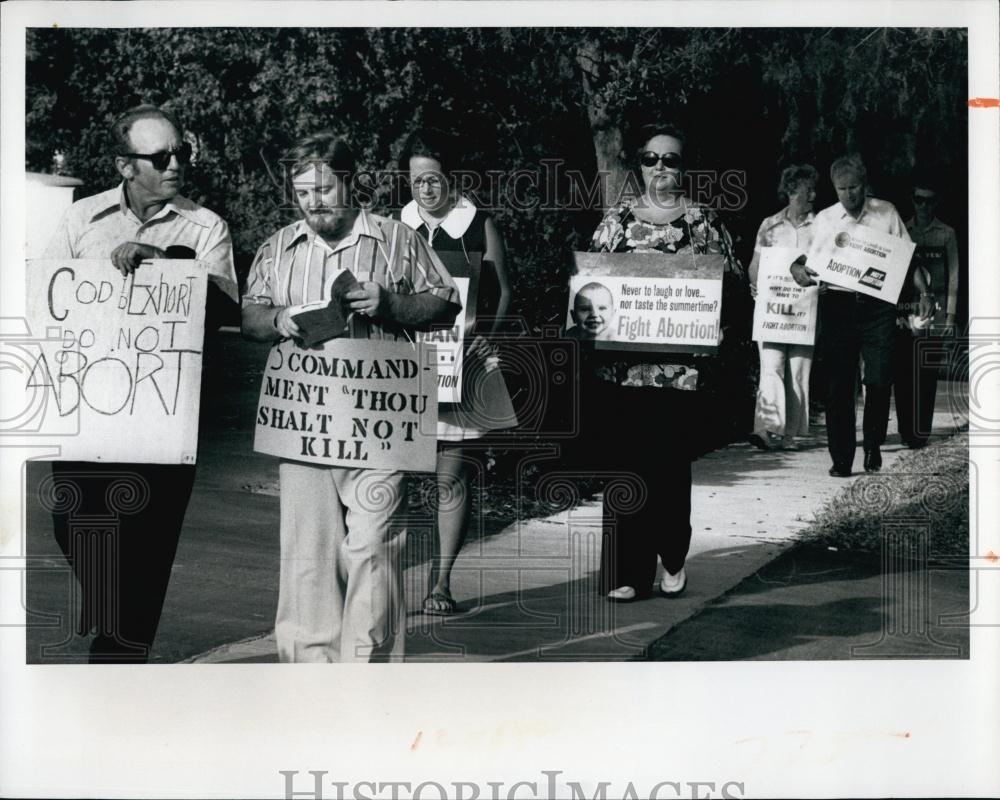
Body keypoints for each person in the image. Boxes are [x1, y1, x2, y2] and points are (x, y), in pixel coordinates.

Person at [242, 132, 460, 660]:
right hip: (304, 421)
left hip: (380, 421)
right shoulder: (279, 247)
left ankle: (367, 670)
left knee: (374, 548)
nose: (314, 202)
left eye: (323, 188)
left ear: (350, 182)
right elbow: (249, 316)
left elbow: (444, 303)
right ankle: (310, 672)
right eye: (303, 192)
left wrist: (389, 304)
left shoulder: (396, 240)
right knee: (308, 554)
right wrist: (277, 319)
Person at [43, 104, 238, 662]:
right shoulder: (84, 219)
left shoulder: (206, 227)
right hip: (88, 409)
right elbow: (47, 295)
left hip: (163, 414)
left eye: (182, 152)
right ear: (126, 167)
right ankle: (112, 615)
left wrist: (164, 266)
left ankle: (119, 668)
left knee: (148, 552)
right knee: (72, 522)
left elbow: (225, 308)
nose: (177, 163)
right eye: (161, 156)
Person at [585, 121, 748, 601]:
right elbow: (589, 282)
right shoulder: (615, 221)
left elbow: (733, 285)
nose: (660, 166)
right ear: (639, 165)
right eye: (651, 158)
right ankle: (626, 572)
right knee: (626, 467)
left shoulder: (701, 221)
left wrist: (719, 322)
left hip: (680, 371)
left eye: (670, 158)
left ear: (684, 166)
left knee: (670, 467)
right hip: (621, 366)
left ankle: (672, 555)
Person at [397, 127, 515, 616]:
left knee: (451, 474)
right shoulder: (395, 225)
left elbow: (504, 289)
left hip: (459, 362)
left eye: (435, 179)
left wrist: (489, 333)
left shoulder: (478, 224)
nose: (426, 189)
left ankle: (440, 583)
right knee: (392, 475)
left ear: (452, 179)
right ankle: (378, 577)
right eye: (417, 181)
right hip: (404, 365)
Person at [791, 154, 932, 477]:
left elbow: (908, 259)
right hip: (838, 305)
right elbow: (802, 259)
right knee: (839, 386)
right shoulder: (825, 219)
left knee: (879, 379)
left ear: (864, 185)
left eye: (854, 187)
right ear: (834, 188)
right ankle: (841, 459)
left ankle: (872, 446)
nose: (849, 194)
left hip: (877, 306)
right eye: (842, 189)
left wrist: (925, 293)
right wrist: (797, 269)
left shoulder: (886, 213)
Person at [747, 164, 818, 451]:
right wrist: (756, 288)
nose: (813, 195)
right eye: (807, 190)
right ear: (790, 191)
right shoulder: (769, 225)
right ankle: (765, 430)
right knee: (770, 366)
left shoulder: (822, 226)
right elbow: (755, 264)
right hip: (773, 309)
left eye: (815, 189)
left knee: (798, 369)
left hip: (805, 309)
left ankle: (790, 435)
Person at [893, 177, 960, 448]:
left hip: (936, 312)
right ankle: (906, 429)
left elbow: (954, 276)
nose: (924, 205)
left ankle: (920, 432)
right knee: (902, 371)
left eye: (929, 200)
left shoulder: (946, 233)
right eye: (919, 199)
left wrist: (951, 317)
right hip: (904, 312)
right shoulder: (901, 230)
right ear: (912, 200)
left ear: (936, 203)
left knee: (926, 372)